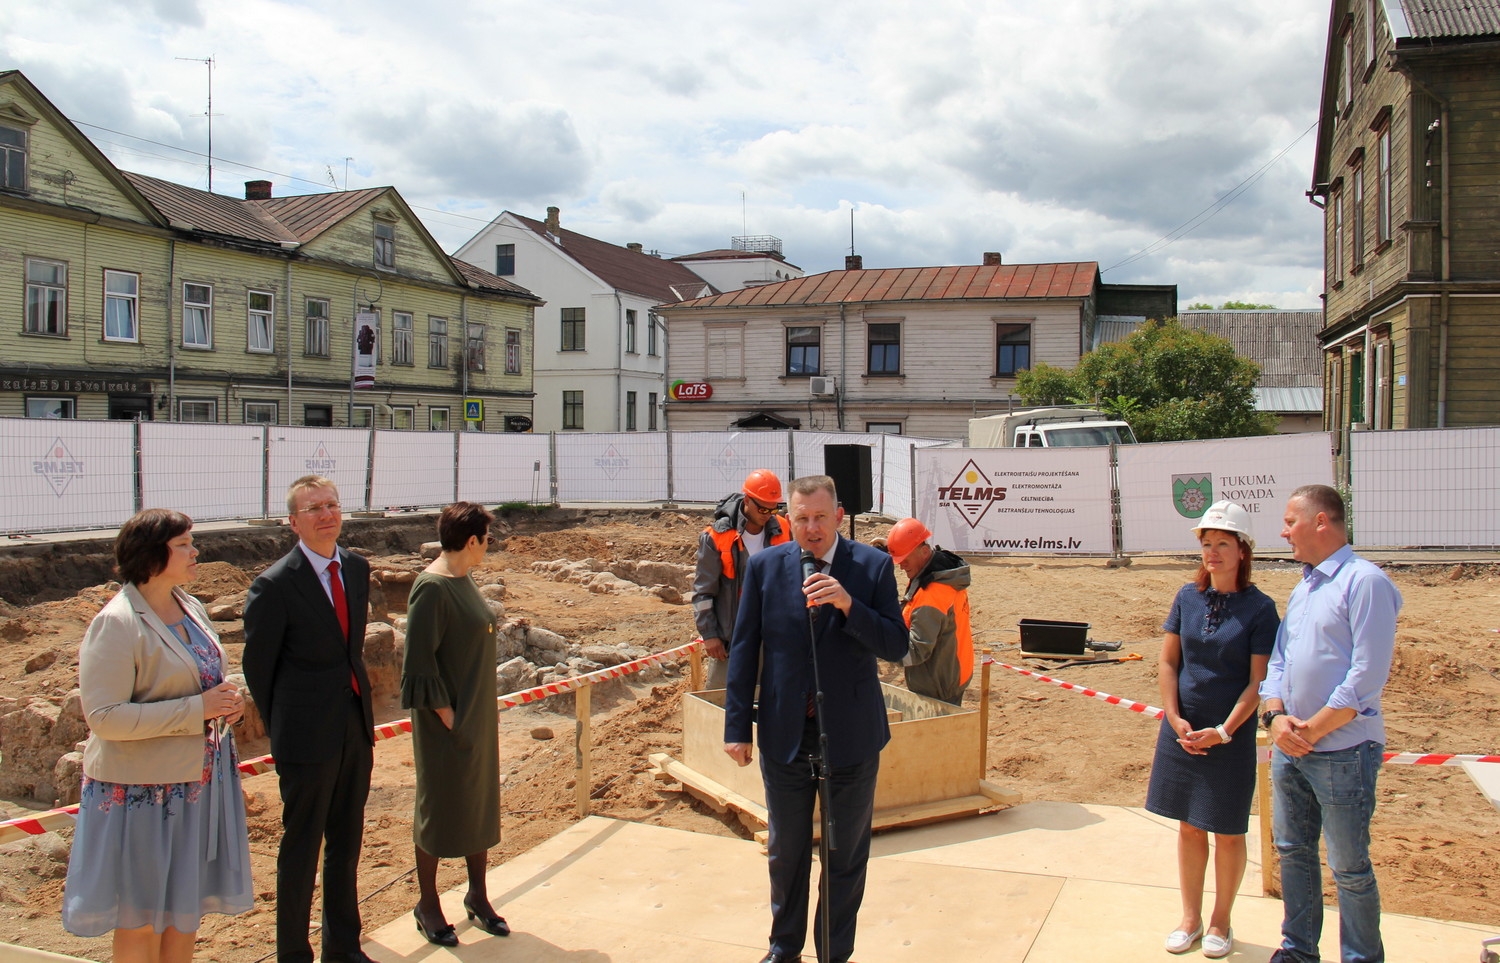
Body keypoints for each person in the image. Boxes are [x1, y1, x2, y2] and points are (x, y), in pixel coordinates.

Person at [723, 475, 908, 963]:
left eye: (820, 517)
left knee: (844, 855)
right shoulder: (765, 568)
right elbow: (745, 651)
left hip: (850, 735)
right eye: (801, 518)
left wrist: (849, 605)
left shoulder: (872, 566)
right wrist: (737, 728)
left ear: (839, 516)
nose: (811, 528)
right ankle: (784, 949)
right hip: (786, 734)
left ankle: (833, 953)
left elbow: (896, 644)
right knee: (786, 853)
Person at [61, 509, 253, 962]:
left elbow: (201, 681)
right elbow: (104, 717)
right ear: (153, 554)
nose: (196, 551)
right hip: (142, 795)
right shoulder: (117, 622)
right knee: (142, 919)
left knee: (182, 913)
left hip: (194, 785)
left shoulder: (192, 606)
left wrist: (228, 705)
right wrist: (197, 710)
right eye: (184, 543)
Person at [1259, 484, 1402, 963]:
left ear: (1321, 521)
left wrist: (1313, 731)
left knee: (1348, 866)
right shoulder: (1305, 585)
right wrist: (1277, 718)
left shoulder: (1366, 583)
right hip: (1291, 747)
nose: (1283, 532)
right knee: (1293, 852)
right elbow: (1278, 661)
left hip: (1343, 752)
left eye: (1290, 521)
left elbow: (1365, 676)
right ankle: (1298, 951)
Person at [243, 476, 378, 963]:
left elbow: (350, 649)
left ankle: (343, 948)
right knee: (302, 849)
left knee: (346, 842)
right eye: (314, 508)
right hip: (306, 736)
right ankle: (294, 954)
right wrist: (287, 726)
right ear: (293, 521)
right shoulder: (275, 584)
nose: (326, 514)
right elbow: (259, 670)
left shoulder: (357, 569)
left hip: (353, 728)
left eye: (332, 505)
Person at [1144, 501, 1279, 959]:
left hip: (1229, 737)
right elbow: (1168, 661)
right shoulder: (1187, 597)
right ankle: (1190, 918)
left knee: (1227, 830)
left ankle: (1221, 920)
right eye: (1207, 544)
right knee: (1188, 827)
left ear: (1243, 550)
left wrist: (1223, 731)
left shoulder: (1261, 609)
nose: (1213, 552)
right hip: (1182, 731)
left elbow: (1258, 682)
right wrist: (1174, 715)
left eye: (1223, 543)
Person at [401, 502, 510, 946]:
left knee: (477, 804)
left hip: (476, 718)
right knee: (439, 808)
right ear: (471, 541)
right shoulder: (432, 587)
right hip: (448, 724)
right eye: (487, 537)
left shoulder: (464, 578)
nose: (489, 545)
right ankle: (427, 903)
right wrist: (452, 720)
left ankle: (477, 897)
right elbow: (418, 665)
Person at [693, 468, 791, 688]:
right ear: (747, 500)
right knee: (723, 702)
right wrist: (709, 635)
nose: (767, 513)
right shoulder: (716, 537)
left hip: (774, 637)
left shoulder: (783, 529)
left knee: (771, 701)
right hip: (732, 640)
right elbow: (703, 592)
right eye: (762, 507)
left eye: (773, 507)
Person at [885, 517, 974, 705]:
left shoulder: (933, 593)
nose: (901, 566)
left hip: (939, 686)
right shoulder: (941, 572)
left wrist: (880, 646)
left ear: (924, 552)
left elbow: (915, 652)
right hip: (953, 672)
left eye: (905, 559)